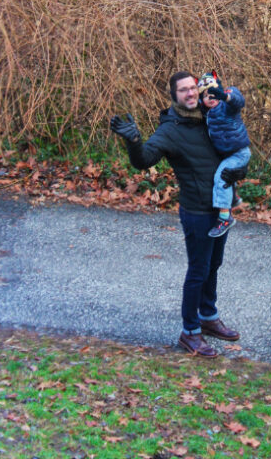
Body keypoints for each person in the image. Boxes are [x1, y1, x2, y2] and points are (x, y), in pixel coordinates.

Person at [110, 71, 248, 358]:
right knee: (198, 271)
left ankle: (208, 317)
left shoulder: (209, 115)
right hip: (197, 211)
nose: (189, 94)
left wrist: (239, 170)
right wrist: (133, 141)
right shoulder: (171, 130)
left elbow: (230, 143)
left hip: (220, 207)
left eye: (192, 88)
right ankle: (190, 331)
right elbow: (144, 160)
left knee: (214, 265)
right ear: (174, 96)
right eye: (183, 90)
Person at [197, 72, 251, 238]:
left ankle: (224, 218)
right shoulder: (208, 112)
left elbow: (238, 101)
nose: (210, 98)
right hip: (227, 153)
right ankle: (232, 199)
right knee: (221, 172)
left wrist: (225, 96)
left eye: (213, 93)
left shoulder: (227, 106)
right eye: (206, 96)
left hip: (239, 152)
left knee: (221, 176)